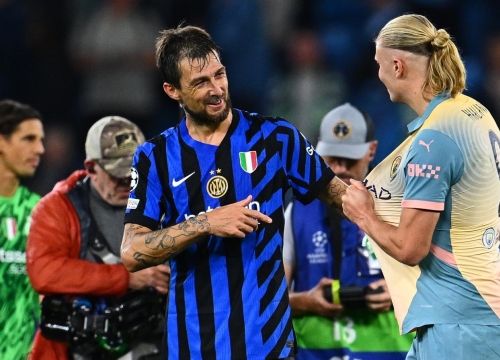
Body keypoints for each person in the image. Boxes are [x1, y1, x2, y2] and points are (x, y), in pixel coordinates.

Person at [120, 25, 348, 360]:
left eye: (219, 75)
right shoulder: (154, 157)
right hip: (193, 343)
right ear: (173, 91)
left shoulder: (276, 138)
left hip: (267, 342)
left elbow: (345, 200)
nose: (217, 90)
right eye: (200, 82)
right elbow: (131, 252)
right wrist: (206, 223)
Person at [341, 14, 500, 360]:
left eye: (379, 65)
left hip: (460, 328)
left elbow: (410, 248)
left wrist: (363, 215)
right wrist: (461, 271)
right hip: (477, 319)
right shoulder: (475, 113)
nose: (378, 76)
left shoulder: (432, 142)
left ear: (397, 65)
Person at [26, 116, 170, 360]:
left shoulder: (168, 202)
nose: (128, 181)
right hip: (77, 349)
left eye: (134, 171)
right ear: (92, 167)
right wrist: (126, 278)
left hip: (154, 346)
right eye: (118, 174)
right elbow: (44, 271)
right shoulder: (57, 208)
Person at [283, 103, 413, 359]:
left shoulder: (401, 209)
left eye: (350, 158)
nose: (340, 168)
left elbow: (444, 289)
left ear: (371, 150)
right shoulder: (296, 212)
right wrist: (308, 300)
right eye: (331, 158)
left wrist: (401, 293)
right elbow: (271, 301)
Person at [0, 99, 45, 360]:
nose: (39, 149)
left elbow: (45, 296)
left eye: (40, 139)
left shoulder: (39, 211)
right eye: (28, 139)